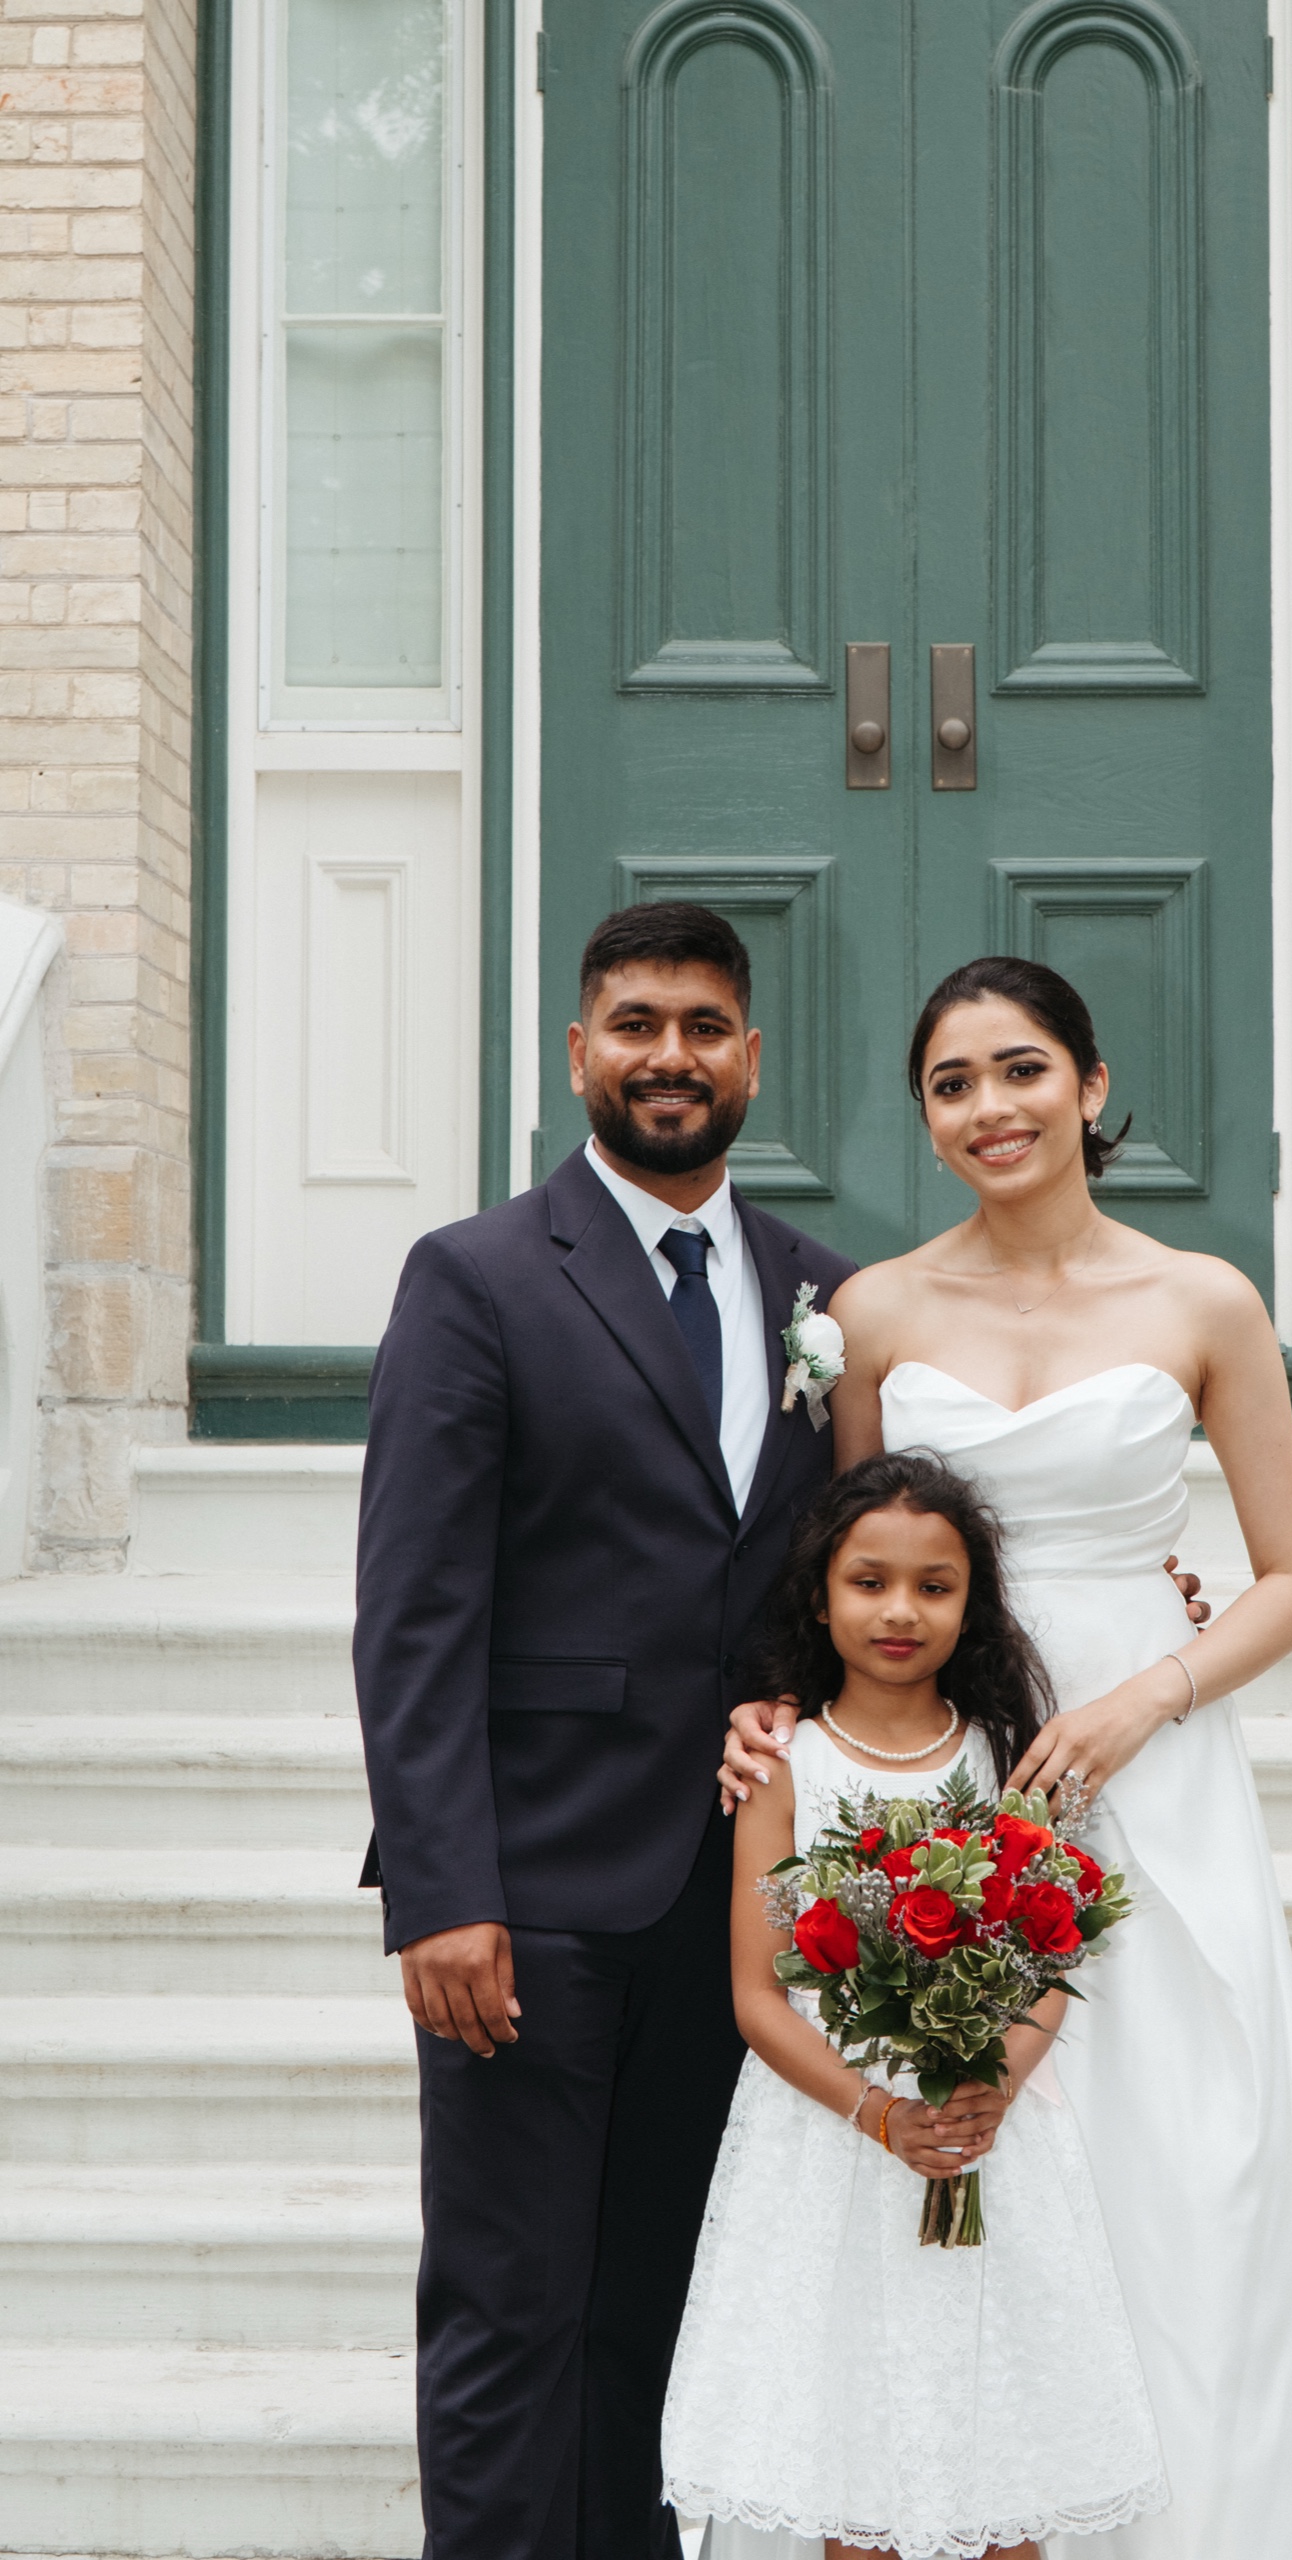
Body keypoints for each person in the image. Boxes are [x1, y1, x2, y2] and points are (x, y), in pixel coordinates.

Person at [723, 956, 1292, 2560]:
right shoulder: (870, 1315)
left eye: (1020, 1069)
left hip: (1146, 1767)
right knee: (977, 2149)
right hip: (945, 1765)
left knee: (1181, 2152)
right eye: (950, 1084)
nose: (989, 1108)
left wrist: (1153, 1691)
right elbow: (850, 1564)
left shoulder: (1203, 1302)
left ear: (1089, 1087)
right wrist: (775, 1714)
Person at [353, 903, 860, 2560]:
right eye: (636, 1025)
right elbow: (415, 1608)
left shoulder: (819, 1292)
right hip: (531, 1889)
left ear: (751, 1058)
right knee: (510, 2307)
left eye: (704, 1027)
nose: (670, 1057)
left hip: (733, 1898)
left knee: (659, 2305)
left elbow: (844, 1564)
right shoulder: (476, 1276)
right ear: (579, 1054)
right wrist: (440, 1890)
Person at [664, 1451, 1168, 2560]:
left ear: (971, 1604)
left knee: (1005, 2457)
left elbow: (1047, 1948)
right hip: (832, 2141)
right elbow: (757, 1995)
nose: (900, 1610)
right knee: (856, 2461)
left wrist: (993, 2081)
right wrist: (882, 2113)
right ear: (819, 1595)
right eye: (869, 1581)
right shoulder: (783, 1763)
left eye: (934, 1586)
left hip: (987, 2137)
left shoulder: (1006, 1758)